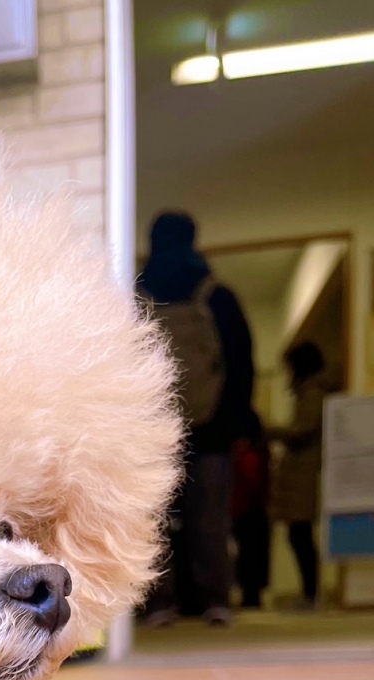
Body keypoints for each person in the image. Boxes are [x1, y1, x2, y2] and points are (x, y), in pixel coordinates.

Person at [138, 212, 256, 626]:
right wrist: (237, 422)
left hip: (151, 428)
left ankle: (158, 604)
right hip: (213, 428)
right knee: (210, 519)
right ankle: (215, 600)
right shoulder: (216, 295)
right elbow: (241, 363)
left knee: (153, 520)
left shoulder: (138, 293)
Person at [268, 341, 328, 606]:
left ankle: (311, 594)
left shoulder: (313, 394)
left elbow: (302, 430)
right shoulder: (308, 393)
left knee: (300, 536)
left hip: (305, 477)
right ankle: (309, 593)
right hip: (301, 477)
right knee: (298, 536)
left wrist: (270, 430)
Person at [232, 408, 271, 609]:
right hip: (254, 507)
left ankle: (250, 596)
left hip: (243, 507)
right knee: (254, 554)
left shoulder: (242, 452)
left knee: (247, 555)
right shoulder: (259, 449)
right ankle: (252, 595)